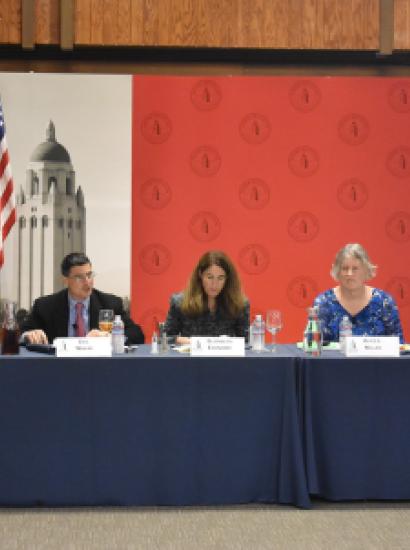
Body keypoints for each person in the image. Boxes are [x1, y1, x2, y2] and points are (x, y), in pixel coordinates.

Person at [21, 252, 145, 345]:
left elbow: (137, 334)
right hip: (58, 367)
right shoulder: (45, 306)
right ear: (65, 281)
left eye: (89, 275)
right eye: (79, 277)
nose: (87, 282)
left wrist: (110, 337)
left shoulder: (110, 304)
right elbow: (22, 333)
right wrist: (29, 335)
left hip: (98, 366)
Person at [314, 243, 404, 342]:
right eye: (345, 268)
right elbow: (315, 345)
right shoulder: (324, 302)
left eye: (355, 269)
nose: (349, 274)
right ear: (337, 271)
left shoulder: (384, 301)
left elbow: (398, 345)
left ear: (366, 271)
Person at [164, 250, 249, 345]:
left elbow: (245, 342)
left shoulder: (240, 304)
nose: (214, 284)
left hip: (225, 359)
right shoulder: (179, 302)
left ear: (227, 279)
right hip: (190, 358)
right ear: (200, 275)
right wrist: (193, 342)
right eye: (210, 277)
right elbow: (166, 338)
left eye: (220, 278)